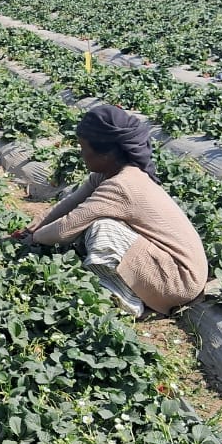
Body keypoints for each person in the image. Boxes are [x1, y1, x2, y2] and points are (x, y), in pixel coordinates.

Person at [16, 105, 207, 317]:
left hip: (179, 282)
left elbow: (65, 228)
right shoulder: (111, 173)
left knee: (101, 228)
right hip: (174, 270)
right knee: (90, 225)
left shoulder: (122, 184)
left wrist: (34, 238)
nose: (81, 154)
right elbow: (71, 203)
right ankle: (130, 286)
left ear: (106, 153)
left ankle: (128, 297)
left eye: (84, 148)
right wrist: (38, 223)